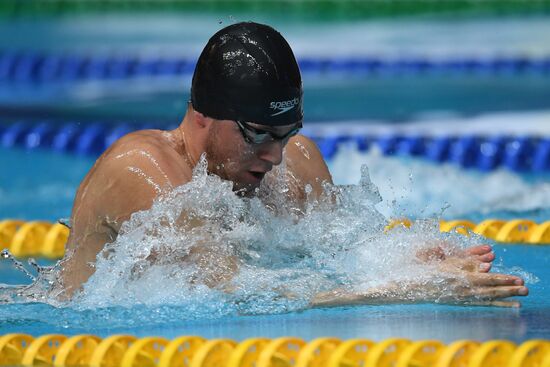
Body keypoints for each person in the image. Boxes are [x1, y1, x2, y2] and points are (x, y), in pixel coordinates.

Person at [58, 22, 528, 306]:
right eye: (257, 134)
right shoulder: (146, 172)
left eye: (285, 135)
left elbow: (331, 260)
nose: (275, 155)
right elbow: (234, 294)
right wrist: (410, 288)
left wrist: (402, 260)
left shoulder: (294, 165)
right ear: (203, 115)